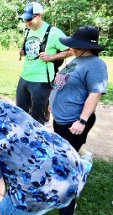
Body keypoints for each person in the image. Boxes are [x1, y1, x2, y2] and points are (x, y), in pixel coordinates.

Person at [0, 92, 91, 215]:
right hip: (74, 166)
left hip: (41, 186)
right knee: (63, 191)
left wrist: (0, 193)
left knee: (0, 211)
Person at [49, 26, 108, 214]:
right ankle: (83, 162)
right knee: (65, 155)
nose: (72, 47)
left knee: (66, 163)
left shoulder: (96, 64)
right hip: (61, 118)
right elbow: (64, 82)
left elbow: (95, 92)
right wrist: (52, 101)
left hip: (74, 121)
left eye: (76, 45)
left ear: (87, 47)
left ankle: (67, 205)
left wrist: (82, 121)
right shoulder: (77, 59)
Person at [17, 2, 70, 125]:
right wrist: (23, 51)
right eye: (25, 19)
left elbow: (71, 50)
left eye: (30, 18)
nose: (27, 22)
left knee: (38, 119)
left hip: (42, 80)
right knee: (20, 113)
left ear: (40, 15)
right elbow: (31, 50)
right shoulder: (29, 30)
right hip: (25, 77)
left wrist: (52, 57)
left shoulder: (53, 32)